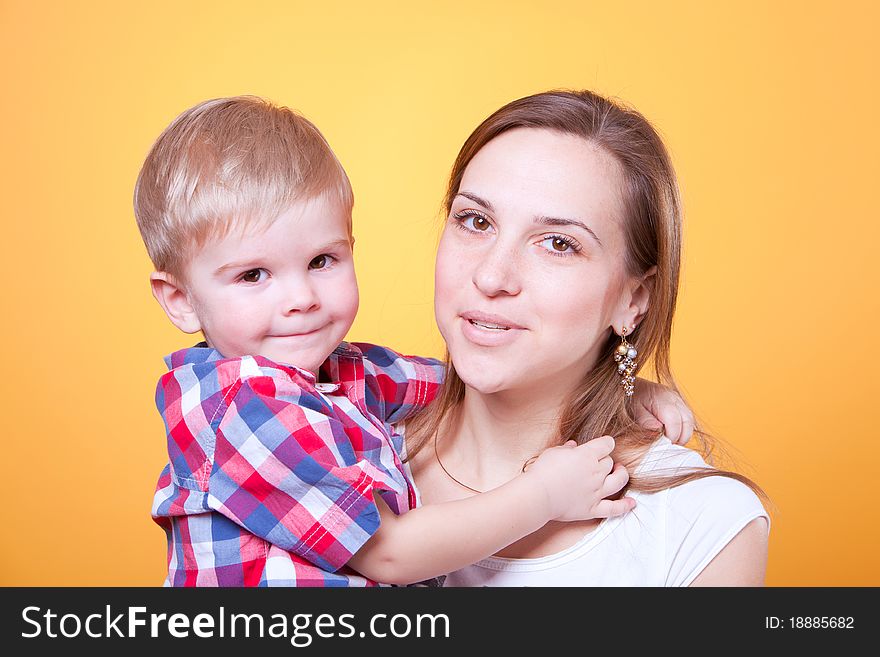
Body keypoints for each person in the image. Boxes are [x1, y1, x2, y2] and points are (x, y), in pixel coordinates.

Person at [134, 96, 686, 587]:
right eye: (253, 276)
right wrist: (543, 495)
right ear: (179, 299)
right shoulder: (243, 407)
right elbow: (389, 554)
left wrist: (624, 389)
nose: (300, 297)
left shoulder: (341, 375)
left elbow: (455, 384)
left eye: (322, 261)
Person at [403, 89, 771, 586]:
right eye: (476, 221)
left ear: (633, 300)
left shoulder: (698, 524)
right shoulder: (330, 448)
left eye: (559, 244)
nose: (491, 276)